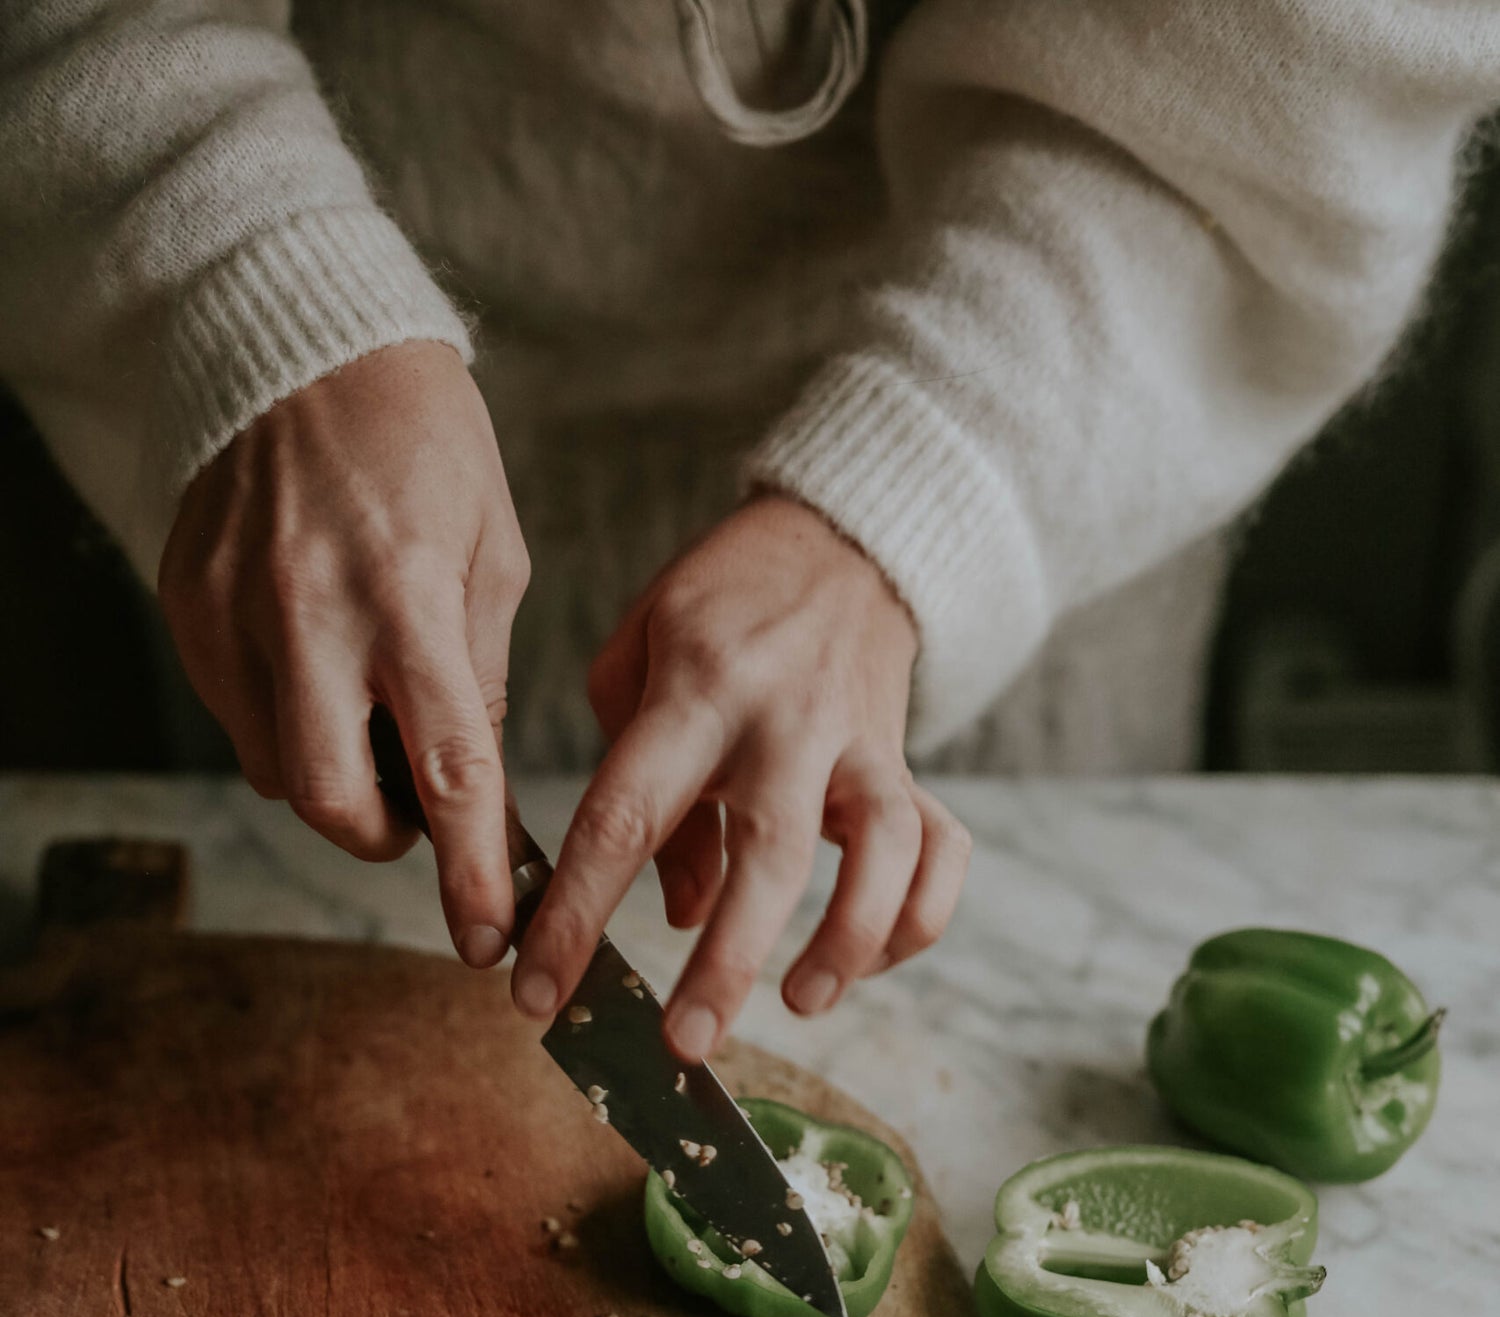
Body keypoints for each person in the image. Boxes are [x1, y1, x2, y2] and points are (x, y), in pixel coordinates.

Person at [3, 2, 1498, 1060]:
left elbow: (1317, 59)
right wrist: (244, 286)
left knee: (956, 1023)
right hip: (324, 380)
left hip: (1059, 386)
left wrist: (931, 484)